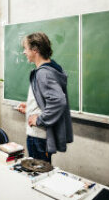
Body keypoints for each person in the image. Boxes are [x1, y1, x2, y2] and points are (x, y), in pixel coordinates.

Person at [17, 32, 73, 163]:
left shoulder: (44, 73)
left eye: (26, 48)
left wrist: (40, 119)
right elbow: (47, 100)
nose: (24, 52)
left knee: (39, 174)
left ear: (35, 49)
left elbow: (58, 101)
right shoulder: (51, 68)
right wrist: (30, 107)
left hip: (38, 136)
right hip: (40, 136)